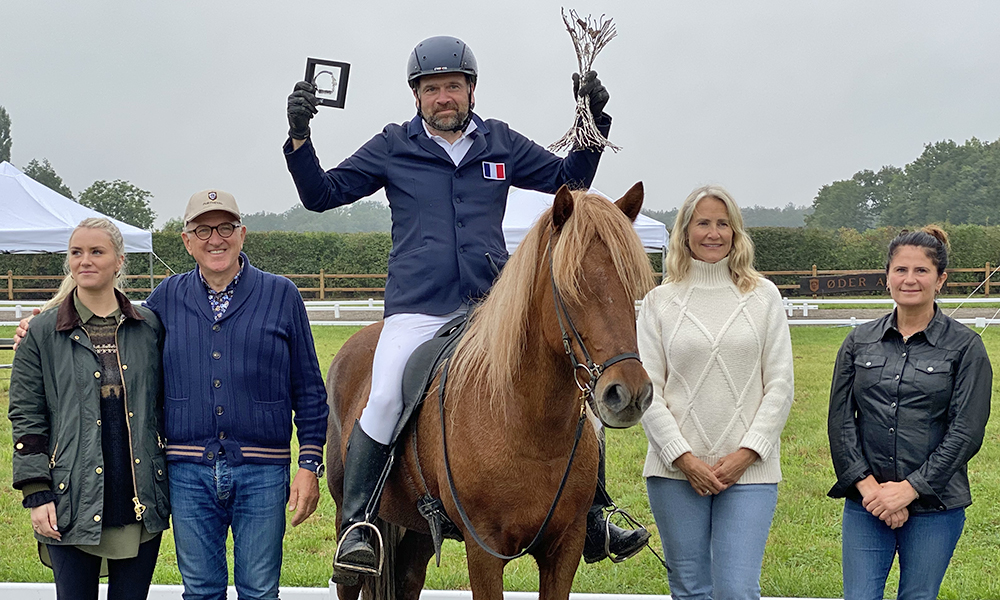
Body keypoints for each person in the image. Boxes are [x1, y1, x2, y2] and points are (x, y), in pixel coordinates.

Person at [283, 35, 647, 574]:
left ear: (470, 90)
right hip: (417, 309)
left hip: (489, 308)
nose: (443, 97)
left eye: (453, 86)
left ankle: (593, 515)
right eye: (431, 89)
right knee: (383, 396)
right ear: (417, 97)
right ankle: (358, 522)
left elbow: (567, 181)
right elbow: (321, 194)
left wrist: (594, 125)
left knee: (572, 397)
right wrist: (299, 136)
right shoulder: (392, 146)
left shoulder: (498, 142)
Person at [14, 190, 330, 600]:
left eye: (225, 227)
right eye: (202, 229)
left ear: (242, 233)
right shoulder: (165, 300)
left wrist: (309, 463)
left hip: (262, 471)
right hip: (187, 471)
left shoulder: (281, 294)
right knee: (199, 590)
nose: (214, 239)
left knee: (259, 590)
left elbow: (308, 388)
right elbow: (110, 316)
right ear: (186, 240)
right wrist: (40, 322)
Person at [637, 186, 794, 600]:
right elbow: (648, 390)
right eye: (703, 222)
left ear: (736, 231)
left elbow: (779, 385)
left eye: (723, 223)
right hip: (675, 474)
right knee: (689, 589)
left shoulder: (763, 297)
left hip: (749, 473)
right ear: (685, 231)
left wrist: (747, 454)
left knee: (737, 590)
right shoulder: (658, 303)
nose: (713, 233)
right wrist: (683, 459)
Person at [827, 226, 991, 600]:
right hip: (866, 504)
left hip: (936, 507)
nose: (910, 279)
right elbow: (840, 423)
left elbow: (965, 432)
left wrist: (909, 490)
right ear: (887, 277)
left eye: (921, 271)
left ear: (941, 280)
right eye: (901, 270)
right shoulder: (858, 341)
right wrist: (870, 489)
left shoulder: (966, 348)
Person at [9, 218, 169, 600]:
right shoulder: (42, 332)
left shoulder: (149, 327)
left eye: (97, 251)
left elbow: (164, 405)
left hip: (139, 493)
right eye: (76, 252)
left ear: (119, 260)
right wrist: (36, 492)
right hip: (69, 496)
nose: (85, 260)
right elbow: (26, 416)